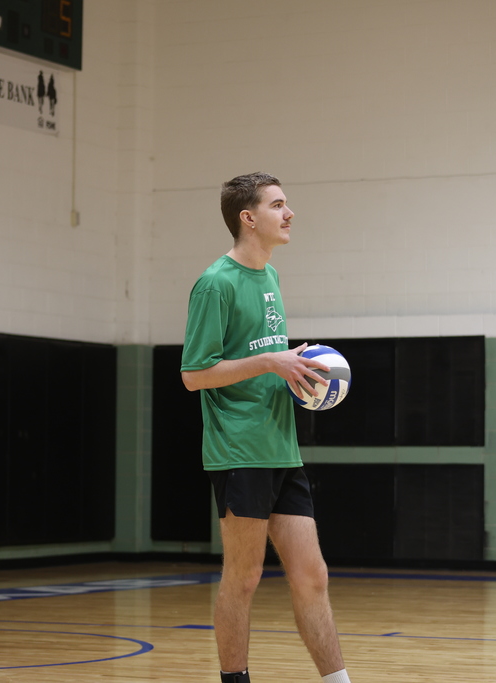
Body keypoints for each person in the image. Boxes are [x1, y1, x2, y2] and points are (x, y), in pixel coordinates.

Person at [180, 172, 353, 683]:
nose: (290, 212)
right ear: (248, 218)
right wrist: (272, 364)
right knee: (245, 577)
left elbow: (262, 358)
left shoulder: (271, 277)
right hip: (239, 451)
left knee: (312, 575)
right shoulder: (216, 283)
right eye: (278, 205)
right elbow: (194, 376)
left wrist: (295, 372)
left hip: (281, 446)